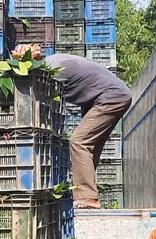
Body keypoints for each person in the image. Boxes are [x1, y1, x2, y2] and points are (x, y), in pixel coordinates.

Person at [44, 51, 131, 209]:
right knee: (90, 147)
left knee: (79, 142)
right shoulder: (53, 62)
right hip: (105, 97)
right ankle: (87, 193)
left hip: (111, 98)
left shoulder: (53, 70)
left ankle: (87, 197)